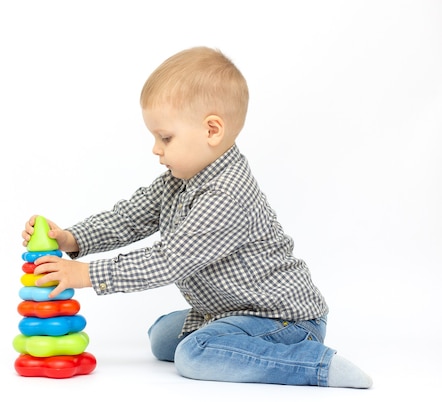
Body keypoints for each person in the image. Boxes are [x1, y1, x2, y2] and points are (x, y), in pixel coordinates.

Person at [22, 46, 372, 388]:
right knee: (162, 338)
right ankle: (234, 339)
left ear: (211, 131)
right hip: (234, 309)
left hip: (284, 319)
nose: (156, 149)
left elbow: (169, 260)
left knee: (194, 354)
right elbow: (131, 216)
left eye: (165, 137)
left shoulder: (226, 195)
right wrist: (73, 238)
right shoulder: (183, 178)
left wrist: (87, 274)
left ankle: (315, 365)